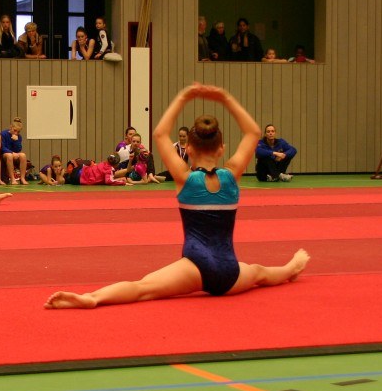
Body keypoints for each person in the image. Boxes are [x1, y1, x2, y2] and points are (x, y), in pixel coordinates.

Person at [46, 83, 309, 309]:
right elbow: (253, 132)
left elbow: (160, 133)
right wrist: (225, 97)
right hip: (230, 272)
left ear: (188, 149)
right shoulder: (231, 176)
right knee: (259, 273)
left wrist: (184, 96)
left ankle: (92, 298)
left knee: (142, 288)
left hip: (195, 268)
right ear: (221, 149)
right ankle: (290, 269)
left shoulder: (185, 179)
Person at [64, 155, 131, 186]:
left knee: (66, 179)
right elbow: (108, 181)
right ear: (116, 164)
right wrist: (123, 182)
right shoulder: (109, 169)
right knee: (66, 180)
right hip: (79, 178)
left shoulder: (104, 163)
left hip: (80, 170)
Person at [0, 117, 28, 184]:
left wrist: (16, 141)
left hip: (14, 153)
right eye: (15, 130)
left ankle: (22, 178)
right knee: (9, 156)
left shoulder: (19, 137)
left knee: (23, 155)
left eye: (18, 132)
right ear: (11, 127)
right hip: (4, 153)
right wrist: (12, 152)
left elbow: (19, 149)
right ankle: (12, 179)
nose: (16, 133)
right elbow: (2, 147)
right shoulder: (3, 134)